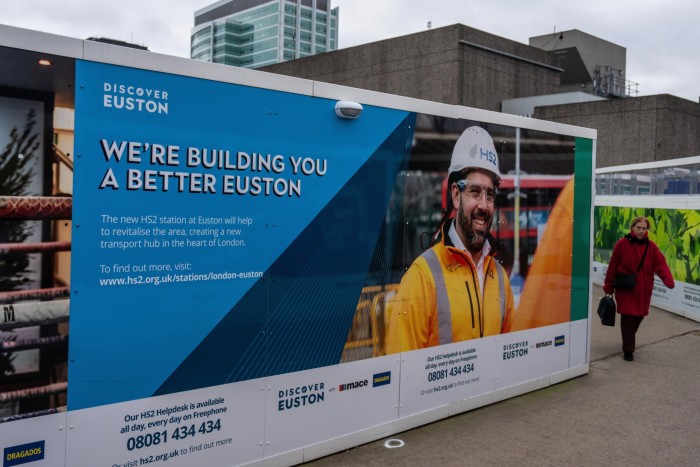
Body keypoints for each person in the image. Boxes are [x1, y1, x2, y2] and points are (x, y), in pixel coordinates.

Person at [386, 126, 515, 353]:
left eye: (490, 194)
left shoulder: (501, 279)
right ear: (456, 195)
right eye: (474, 192)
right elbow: (401, 376)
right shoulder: (421, 277)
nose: (484, 206)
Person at [603, 216, 675, 361]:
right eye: (639, 228)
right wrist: (608, 285)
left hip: (643, 290)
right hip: (626, 289)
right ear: (632, 228)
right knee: (628, 317)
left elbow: (661, 264)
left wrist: (668, 279)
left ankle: (628, 338)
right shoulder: (621, 244)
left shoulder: (651, 246)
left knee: (638, 316)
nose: (641, 231)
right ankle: (628, 350)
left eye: (644, 228)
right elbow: (612, 266)